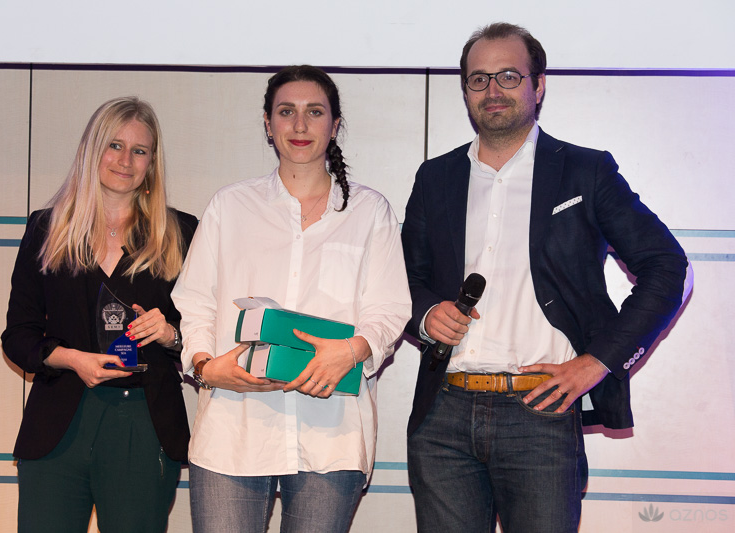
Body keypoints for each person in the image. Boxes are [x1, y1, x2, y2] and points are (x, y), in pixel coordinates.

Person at [402, 22, 690, 532]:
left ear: (538, 86)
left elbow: (669, 268)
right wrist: (425, 314)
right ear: (465, 91)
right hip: (442, 416)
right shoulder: (435, 177)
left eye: (509, 76)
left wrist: (598, 361)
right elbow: (403, 276)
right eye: (478, 79)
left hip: (540, 415)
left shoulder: (585, 171)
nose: (492, 90)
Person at [171, 65, 411, 533]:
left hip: (332, 430)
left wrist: (353, 350)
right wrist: (204, 365)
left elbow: (388, 310)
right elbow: (195, 300)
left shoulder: (369, 212)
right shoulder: (230, 206)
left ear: (335, 125)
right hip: (233, 429)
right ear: (268, 123)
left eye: (314, 112)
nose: (300, 125)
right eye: (287, 112)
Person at [1, 97, 197, 533]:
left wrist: (169, 334)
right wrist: (72, 358)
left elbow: (205, 334)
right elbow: (18, 336)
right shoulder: (45, 229)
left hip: (145, 425)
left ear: (151, 163)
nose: (125, 160)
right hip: (57, 423)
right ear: (92, 151)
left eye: (139, 150)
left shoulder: (182, 233)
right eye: (114, 145)